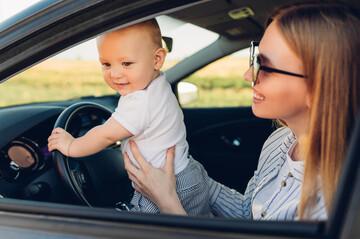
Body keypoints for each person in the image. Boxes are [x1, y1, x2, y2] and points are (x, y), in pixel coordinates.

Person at [123, 2, 360, 220]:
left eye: (266, 66)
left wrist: (166, 201)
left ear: (320, 85)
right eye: (256, 58)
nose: (248, 75)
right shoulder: (281, 141)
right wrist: (180, 167)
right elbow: (249, 213)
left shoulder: (338, 199)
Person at [47, 19, 211, 216]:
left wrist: (71, 146)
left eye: (126, 63)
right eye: (106, 64)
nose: (115, 73)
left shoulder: (139, 103)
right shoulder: (159, 84)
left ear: (157, 59)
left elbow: (106, 135)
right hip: (188, 173)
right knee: (199, 222)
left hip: (165, 184)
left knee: (140, 228)